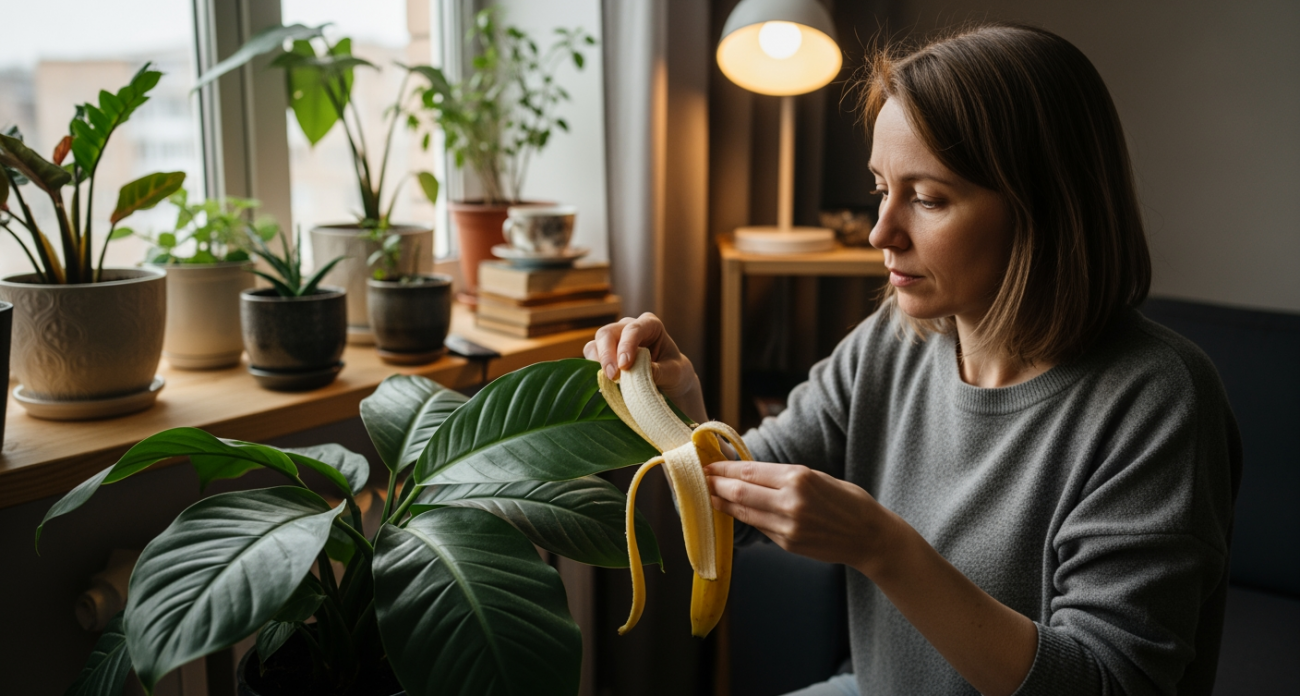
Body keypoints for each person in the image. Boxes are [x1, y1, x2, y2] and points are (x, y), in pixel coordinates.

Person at [585, 22, 1241, 696]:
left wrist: (884, 548)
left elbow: (1108, 682)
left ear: (1044, 211)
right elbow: (740, 508)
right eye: (880, 189)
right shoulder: (895, 340)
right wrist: (679, 409)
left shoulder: (1157, 400)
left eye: (927, 198)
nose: (881, 232)